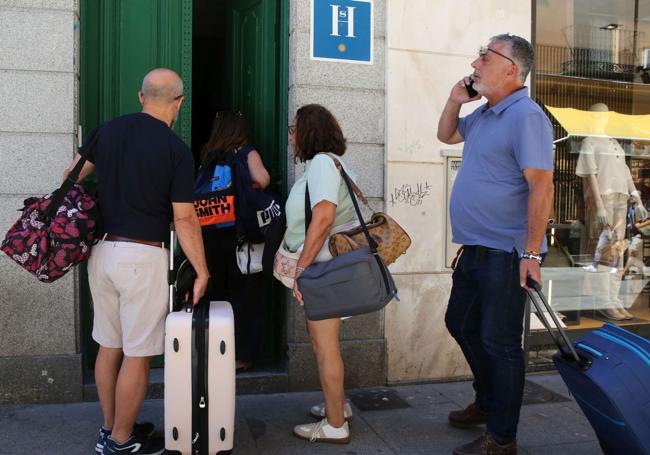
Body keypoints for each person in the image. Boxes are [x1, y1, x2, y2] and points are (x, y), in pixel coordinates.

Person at [64, 68, 209, 455]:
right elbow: (184, 217)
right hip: (143, 256)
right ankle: (122, 441)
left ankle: (110, 428)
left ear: (141, 96)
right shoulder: (176, 150)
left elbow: (71, 177)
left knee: (109, 346)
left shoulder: (106, 131)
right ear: (179, 103)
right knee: (139, 354)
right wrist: (202, 269)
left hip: (103, 252)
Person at [437, 34, 554, 455]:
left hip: (506, 255)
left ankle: (502, 439)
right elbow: (447, 134)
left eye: (484, 56)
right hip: (475, 249)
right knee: (461, 323)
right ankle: (488, 401)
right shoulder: (487, 114)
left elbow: (541, 186)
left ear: (512, 69)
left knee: (501, 344)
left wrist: (531, 253)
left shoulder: (526, 116)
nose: (475, 62)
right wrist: (455, 98)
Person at [285, 104, 358, 444]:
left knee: (325, 344)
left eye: (294, 128)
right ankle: (337, 407)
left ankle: (334, 425)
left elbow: (324, 217)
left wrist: (301, 266)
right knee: (321, 342)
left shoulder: (322, 165)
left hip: (323, 266)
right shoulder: (324, 165)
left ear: (308, 131)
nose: (290, 135)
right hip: (325, 264)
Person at [198, 111, 271, 370]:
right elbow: (263, 179)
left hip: (210, 235)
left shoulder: (209, 156)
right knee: (244, 296)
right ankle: (240, 355)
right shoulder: (246, 153)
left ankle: (213, 349)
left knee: (215, 294)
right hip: (240, 236)